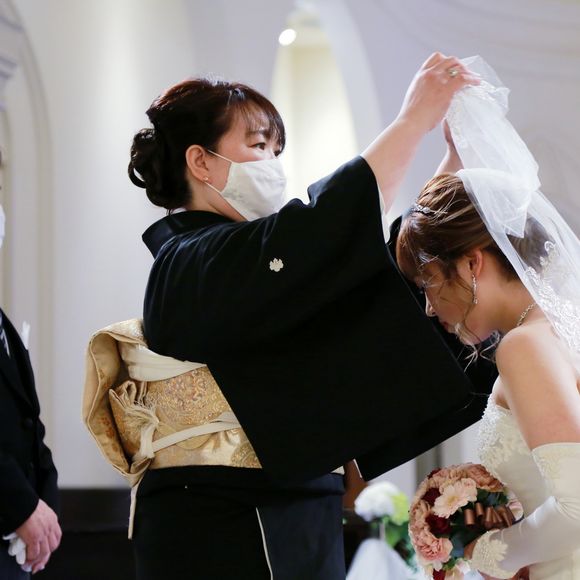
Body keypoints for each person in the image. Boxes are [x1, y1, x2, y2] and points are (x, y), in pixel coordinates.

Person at [83, 53, 496, 580]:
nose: (272, 163)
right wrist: (412, 121)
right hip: (216, 516)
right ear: (201, 162)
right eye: (258, 146)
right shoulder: (186, 260)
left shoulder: (257, 267)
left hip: (303, 502)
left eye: (277, 150)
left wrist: (449, 169)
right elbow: (315, 233)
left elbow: (380, 289)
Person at [396, 57, 580, 579]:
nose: (429, 307)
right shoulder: (558, 330)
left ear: (472, 263)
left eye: (429, 283)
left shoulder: (524, 345)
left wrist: (489, 553)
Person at [0, 204, 61, 577]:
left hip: (19, 542)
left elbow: (29, 424)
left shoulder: (3, 324)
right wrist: (21, 505)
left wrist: (45, 505)